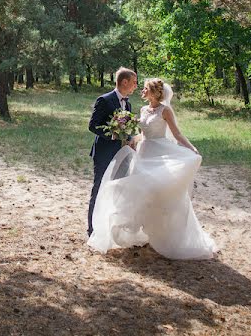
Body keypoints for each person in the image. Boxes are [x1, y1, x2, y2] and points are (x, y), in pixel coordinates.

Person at [87, 78, 217, 259]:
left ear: (154, 92)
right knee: (139, 191)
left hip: (160, 153)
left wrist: (191, 148)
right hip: (144, 153)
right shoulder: (142, 109)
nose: (142, 90)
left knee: (157, 191)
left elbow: (177, 133)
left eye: (145, 88)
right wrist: (131, 139)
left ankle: (164, 233)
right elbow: (142, 134)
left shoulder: (166, 110)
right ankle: (144, 231)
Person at [87, 67, 137, 237]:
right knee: (99, 189)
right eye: (134, 82)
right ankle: (92, 229)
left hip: (123, 154)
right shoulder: (104, 100)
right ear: (125, 82)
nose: (135, 86)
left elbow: (128, 127)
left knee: (118, 191)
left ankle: (111, 227)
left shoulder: (128, 103)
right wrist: (113, 134)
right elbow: (93, 125)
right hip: (104, 153)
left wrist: (129, 138)